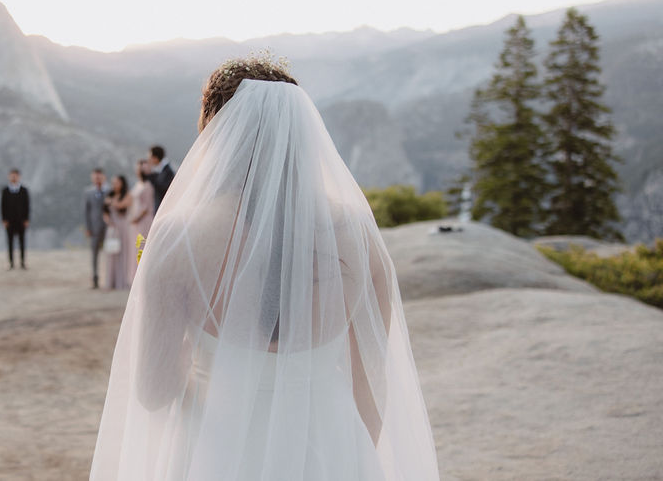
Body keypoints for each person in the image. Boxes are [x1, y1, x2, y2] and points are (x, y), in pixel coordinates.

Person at [89, 55, 440, 480]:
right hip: (328, 449)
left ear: (214, 134)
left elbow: (152, 389)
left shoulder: (177, 239)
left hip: (216, 453)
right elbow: (371, 385)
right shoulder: (357, 236)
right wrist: (352, 457)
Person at [126, 160, 153, 284]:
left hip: (144, 220)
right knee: (135, 248)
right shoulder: (138, 184)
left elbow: (146, 206)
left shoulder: (148, 185)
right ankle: (135, 276)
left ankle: (142, 277)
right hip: (135, 220)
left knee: (142, 246)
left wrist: (136, 218)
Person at [104, 174, 131, 290]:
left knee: (122, 254)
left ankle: (121, 280)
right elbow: (104, 211)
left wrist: (111, 202)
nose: (114, 185)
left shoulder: (127, 196)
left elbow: (122, 205)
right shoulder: (110, 195)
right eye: (113, 183)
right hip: (112, 227)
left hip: (122, 227)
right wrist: (108, 221)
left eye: (116, 183)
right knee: (111, 253)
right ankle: (111, 281)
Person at [1, 168, 30, 270]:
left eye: (15, 175)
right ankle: (11, 263)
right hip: (9, 221)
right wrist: (4, 219)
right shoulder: (5, 191)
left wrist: (26, 219)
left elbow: (27, 205)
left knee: (22, 242)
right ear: (9, 176)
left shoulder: (24, 190)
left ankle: (22, 262)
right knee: (10, 242)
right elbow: (2, 206)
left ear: (18, 177)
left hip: (21, 221)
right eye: (12, 175)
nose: (14, 177)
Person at [84, 168, 108, 289]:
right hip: (94, 227)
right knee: (94, 254)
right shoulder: (88, 192)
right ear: (92, 178)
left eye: (100, 176)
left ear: (103, 177)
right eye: (95, 177)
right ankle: (95, 277)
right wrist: (88, 227)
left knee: (110, 253)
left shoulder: (109, 191)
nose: (97, 179)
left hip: (108, 228)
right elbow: (86, 212)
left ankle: (109, 277)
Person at [147, 145, 175, 213]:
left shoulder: (167, 171)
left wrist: (150, 175)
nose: (149, 160)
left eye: (150, 158)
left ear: (156, 158)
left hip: (164, 210)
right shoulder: (159, 170)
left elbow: (162, 189)